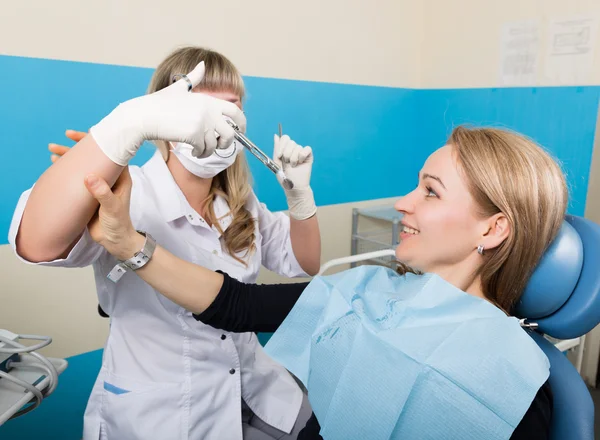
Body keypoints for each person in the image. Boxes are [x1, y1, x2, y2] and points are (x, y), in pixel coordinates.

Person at [77, 125, 565, 439]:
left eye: (430, 193)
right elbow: (236, 305)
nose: (403, 202)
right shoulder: (370, 290)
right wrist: (129, 246)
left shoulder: (513, 377)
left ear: (493, 228)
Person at [9, 47, 320, 440]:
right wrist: (125, 125)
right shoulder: (129, 191)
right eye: (204, 107)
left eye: (233, 108)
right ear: (166, 113)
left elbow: (306, 262)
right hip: (164, 412)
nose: (223, 121)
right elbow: (35, 245)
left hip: (254, 386)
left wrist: (300, 198)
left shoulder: (241, 203)